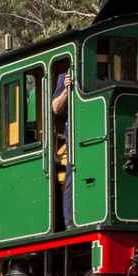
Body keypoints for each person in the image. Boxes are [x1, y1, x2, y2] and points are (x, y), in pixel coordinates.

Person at [51, 66, 74, 229]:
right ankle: (69, 222)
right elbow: (56, 108)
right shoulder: (65, 75)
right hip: (74, 131)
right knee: (71, 174)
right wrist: (66, 90)